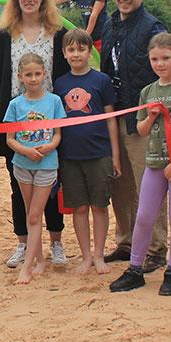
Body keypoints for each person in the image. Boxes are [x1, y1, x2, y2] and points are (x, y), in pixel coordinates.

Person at [109, 32, 171, 296]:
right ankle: (135, 269)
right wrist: (150, 118)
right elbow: (140, 129)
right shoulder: (148, 91)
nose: (160, 64)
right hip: (154, 162)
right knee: (144, 216)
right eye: (154, 59)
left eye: (165, 58)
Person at [0, 0, 69, 269]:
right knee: (18, 183)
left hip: (50, 116)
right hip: (15, 117)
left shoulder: (56, 33)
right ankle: (23, 243)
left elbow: (65, 76)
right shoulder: (3, 33)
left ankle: (56, 242)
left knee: (52, 185)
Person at [100, 0, 168, 271]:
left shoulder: (153, 28)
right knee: (121, 186)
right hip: (114, 117)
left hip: (142, 121)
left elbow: (164, 71)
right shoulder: (110, 25)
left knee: (149, 185)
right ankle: (126, 241)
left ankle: (156, 248)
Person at [53, 28, 120, 275]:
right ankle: (85, 256)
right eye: (71, 49)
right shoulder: (60, 83)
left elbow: (112, 119)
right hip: (70, 157)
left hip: (99, 154)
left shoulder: (101, 80)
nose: (76, 54)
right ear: (64, 53)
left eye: (81, 49)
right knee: (79, 208)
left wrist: (115, 156)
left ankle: (100, 255)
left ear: (89, 51)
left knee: (100, 206)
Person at [4, 53, 66, 284]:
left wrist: (49, 146)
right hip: (22, 164)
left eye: (37, 74)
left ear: (44, 74)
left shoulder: (54, 101)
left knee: (34, 214)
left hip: (46, 165)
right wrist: (24, 150)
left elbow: (58, 134)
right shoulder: (15, 104)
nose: (33, 79)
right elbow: (10, 138)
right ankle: (39, 259)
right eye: (28, 75)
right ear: (20, 77)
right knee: (31, 214)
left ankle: (27, 267)